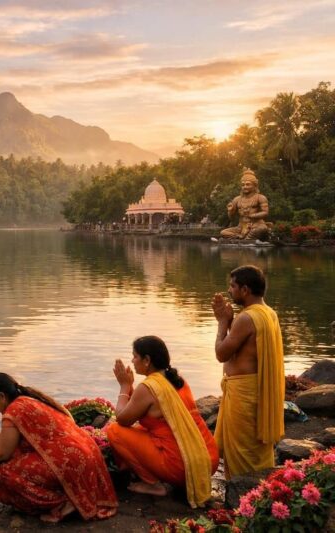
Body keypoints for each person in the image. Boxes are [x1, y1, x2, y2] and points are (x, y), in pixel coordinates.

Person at [0, 373, 117, 523]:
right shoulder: (30, 399)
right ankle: (71, 496)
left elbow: (2, 455)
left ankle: (63, 502)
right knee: (15, 458)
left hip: (71, 462)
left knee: (5, 471)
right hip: (85, 453)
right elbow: (27, 441)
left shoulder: (13, 411)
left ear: (2, 396)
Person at [106, 336, 218, 508]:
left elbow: (122, 418)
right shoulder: (177, 380)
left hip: (183, 468)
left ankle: (153, 484)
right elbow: (144, 406)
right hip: (208, 459)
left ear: (147, 360)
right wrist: (130, 387)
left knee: (114, 431)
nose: (132, 361)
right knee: (142, 430)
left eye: (135, 356)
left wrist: (124, 387)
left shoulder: (149, 388)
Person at [212, 265, 284, 479]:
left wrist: (223, 323)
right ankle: (262, 491)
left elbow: (222, 354)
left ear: (245, 290)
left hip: (244, 394)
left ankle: (244, 496)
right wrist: (230, 322)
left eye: (232, 286)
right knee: (255, 447)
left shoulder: (247, 318)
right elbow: (247, 346)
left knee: (243, 449)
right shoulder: (269, 313)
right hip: (257, 390)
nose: (229, 291)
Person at [220, 169, 269, 240]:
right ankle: (241, 237)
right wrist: (230, 211)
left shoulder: (260, 197)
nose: (245, 187)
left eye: (248, 184)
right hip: (241, 227)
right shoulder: (237, 199)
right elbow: (231, 218)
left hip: (256, 225)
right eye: (243, 185)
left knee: (263, 229)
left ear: (254, 185)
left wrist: (252, 216)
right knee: (223, 232)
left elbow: (265, 212)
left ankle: (246, 239)